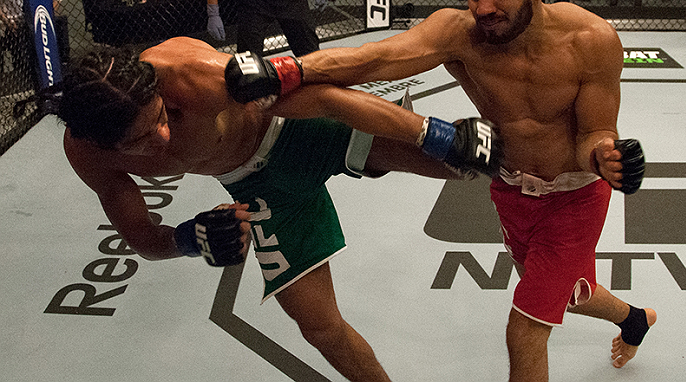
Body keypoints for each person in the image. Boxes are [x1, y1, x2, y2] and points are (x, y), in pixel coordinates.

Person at [226, 0, 655, 382]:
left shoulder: (591, 41)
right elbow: (378, 58)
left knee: (526, 327)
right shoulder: (461, 34)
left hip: (575, 196)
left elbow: (594, 133)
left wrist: (606, 157)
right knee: (568, 289)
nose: (482, 8)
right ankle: (633, 318)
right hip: (510, 188)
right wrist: (289, 71)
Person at [48, 36, 500, 382]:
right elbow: (142, 238)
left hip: (297, 126)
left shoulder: (195, 75)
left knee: (460, 160)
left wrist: (434, 134)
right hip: (255, 185)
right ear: (106, 144)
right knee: (317, 326)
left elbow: (322, 95)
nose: (163, 139)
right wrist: (190, 238)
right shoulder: (87, 153)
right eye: (142, 140)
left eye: (164, 117)